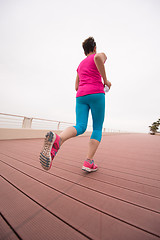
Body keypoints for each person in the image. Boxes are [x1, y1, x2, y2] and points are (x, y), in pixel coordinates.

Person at [40, 37, 111, 172]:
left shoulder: (80, 65)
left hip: (81, 96)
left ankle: (59, 139)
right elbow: (97, 59)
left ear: (84, 52)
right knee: (97, 128)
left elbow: (76, 86)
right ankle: (88, 162)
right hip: (96, 93)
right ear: (95, 48)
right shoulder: (99, 55)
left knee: (80, 126)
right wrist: (106, 81)